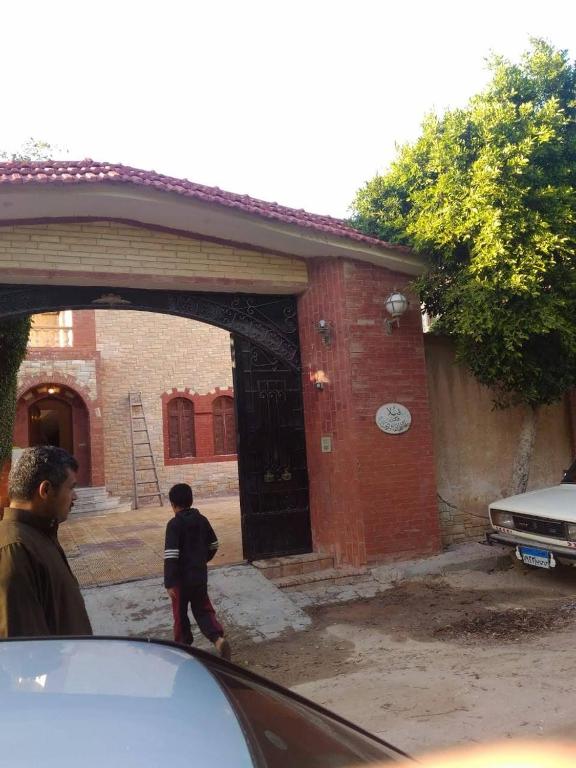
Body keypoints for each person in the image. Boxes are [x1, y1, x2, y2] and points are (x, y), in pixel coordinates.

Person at [0, 445, 92, 637]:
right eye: (71, 487)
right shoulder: (15, 550)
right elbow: (25, 650)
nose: (75, 497)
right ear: (46, 490)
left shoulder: (38, 534)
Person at [164, 483, 231, 660]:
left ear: (173, 504)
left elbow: (171, 555)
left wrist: (169, 582)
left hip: (180, 580)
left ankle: (183, 648)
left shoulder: (174, 524)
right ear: (191, 500)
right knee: (202, 609)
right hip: (199, 576)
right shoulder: (202, 520)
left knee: (180, 615)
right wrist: (202, 559)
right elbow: (214, 544)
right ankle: (217, 640)